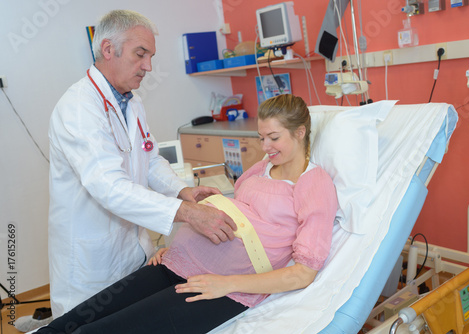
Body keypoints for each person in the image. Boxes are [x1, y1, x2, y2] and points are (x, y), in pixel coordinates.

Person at [38, 94, 338, 333]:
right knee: (69, 322)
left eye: (273, 138)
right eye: (261, 138)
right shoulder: (262, 168)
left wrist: (226, 283)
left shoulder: (314, 183)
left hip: (222, 285)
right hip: (176, 262)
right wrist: (175, 246)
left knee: (98, 331)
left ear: (300, 133)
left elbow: (304, 272)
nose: (265, 147)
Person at [47, 9, 237, 319]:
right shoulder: (79, 108)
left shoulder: (131, 102)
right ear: (108, 49)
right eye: (141, 54)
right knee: (86, 326)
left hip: (133, 249)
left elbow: (149, 158)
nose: (148, 66)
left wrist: (182, 191)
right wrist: (187, 214)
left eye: (150, 56)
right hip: (92, 261)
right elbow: (109, 187)